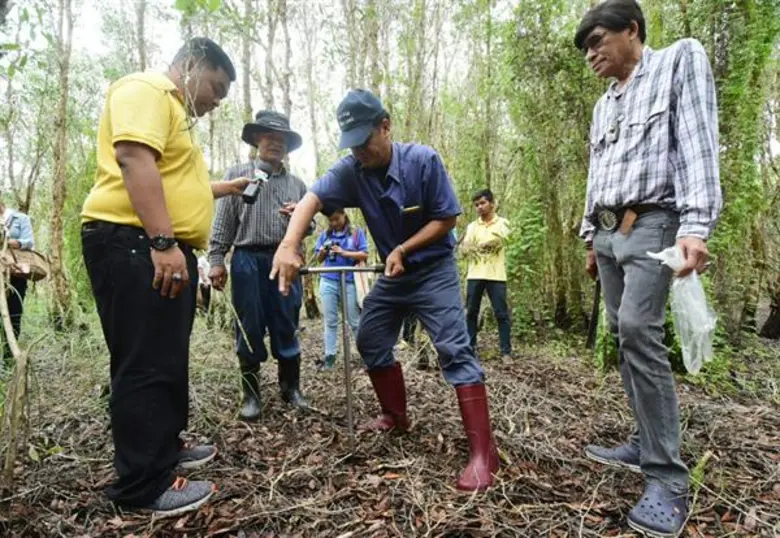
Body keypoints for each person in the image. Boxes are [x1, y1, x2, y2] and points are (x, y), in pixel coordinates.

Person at [271, 89, 499, 492]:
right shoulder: (351, 171)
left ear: (386, 127)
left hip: (432, 270)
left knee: (453, 347)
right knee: (371, 336)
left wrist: (404, 247)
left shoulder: (423, 161)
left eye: (364, 140)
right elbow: (311, 198)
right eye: (351, 144)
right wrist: (289, 245)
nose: (359, 152)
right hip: (393, 277)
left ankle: (484, 455)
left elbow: (446, 219)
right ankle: (395, 416)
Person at [81, 38, 247, 516]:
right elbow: (134, 158)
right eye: (216, 87)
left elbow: (175, 180)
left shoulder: (174, 114)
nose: (217, 101)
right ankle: (143, 486)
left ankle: (165, 448)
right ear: (191, 66)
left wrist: (225, 188)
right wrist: (161, 242)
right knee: (144, 361)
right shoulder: (147, 89)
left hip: (154, 245)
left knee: (166, 356)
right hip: (135, 243)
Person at [575, 1, 722, 536]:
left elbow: (699, 144)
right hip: (610, 232)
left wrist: (697, 226)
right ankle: (643, 443)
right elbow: (598, 172)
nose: (591, 53)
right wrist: (591, 239)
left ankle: (668, 478)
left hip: (655, 223)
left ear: (631, 30)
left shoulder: (679, 61)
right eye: (586, 47)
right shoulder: (603, 104)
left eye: (597, 41)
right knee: (620, 331)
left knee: (640, 328)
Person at [208, 110, 312, 421]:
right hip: (246, 260)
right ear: (257, 139)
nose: (276, 144)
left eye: (282, 140)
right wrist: (216, 260)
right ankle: (251, 395)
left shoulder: (297, 184)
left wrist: (301, 219)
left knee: (286, 320)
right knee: (248, 324)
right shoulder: (237, 174)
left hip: (285, 259)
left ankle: (290, 387)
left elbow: (310, 227)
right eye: (270, 137)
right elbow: (224, 221)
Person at [313, 208, 368, 370]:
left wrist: (344, 252)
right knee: (330, 321)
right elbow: (318, 259)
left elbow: (364, 254)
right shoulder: (325, 235)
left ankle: (366, 355)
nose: (334, 223)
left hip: (349, 280)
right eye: (331, 220)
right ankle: (330, 357)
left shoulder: (356, 233)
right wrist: (323, 251)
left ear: (344, 215)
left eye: (336, 219)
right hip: (328, 280)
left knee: (355, 321)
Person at [461, 189, 512, 361]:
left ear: (491, 203)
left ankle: (506, 351)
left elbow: (497, 242)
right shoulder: (472, 227)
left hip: (496, 275)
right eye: (476, 205)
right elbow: (465, 248)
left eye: (482, 203)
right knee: (471, 312)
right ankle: (470, 348)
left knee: (501, 314)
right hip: (475, 274)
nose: (479, 208)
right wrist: (472, 247)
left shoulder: (503, 223)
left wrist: (478, 246)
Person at [1, 199, 34, 363]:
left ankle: (9, 356)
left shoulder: (20, 218)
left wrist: (16, 242)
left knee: (14, 312)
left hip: (16, 273)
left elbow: (29, 241)